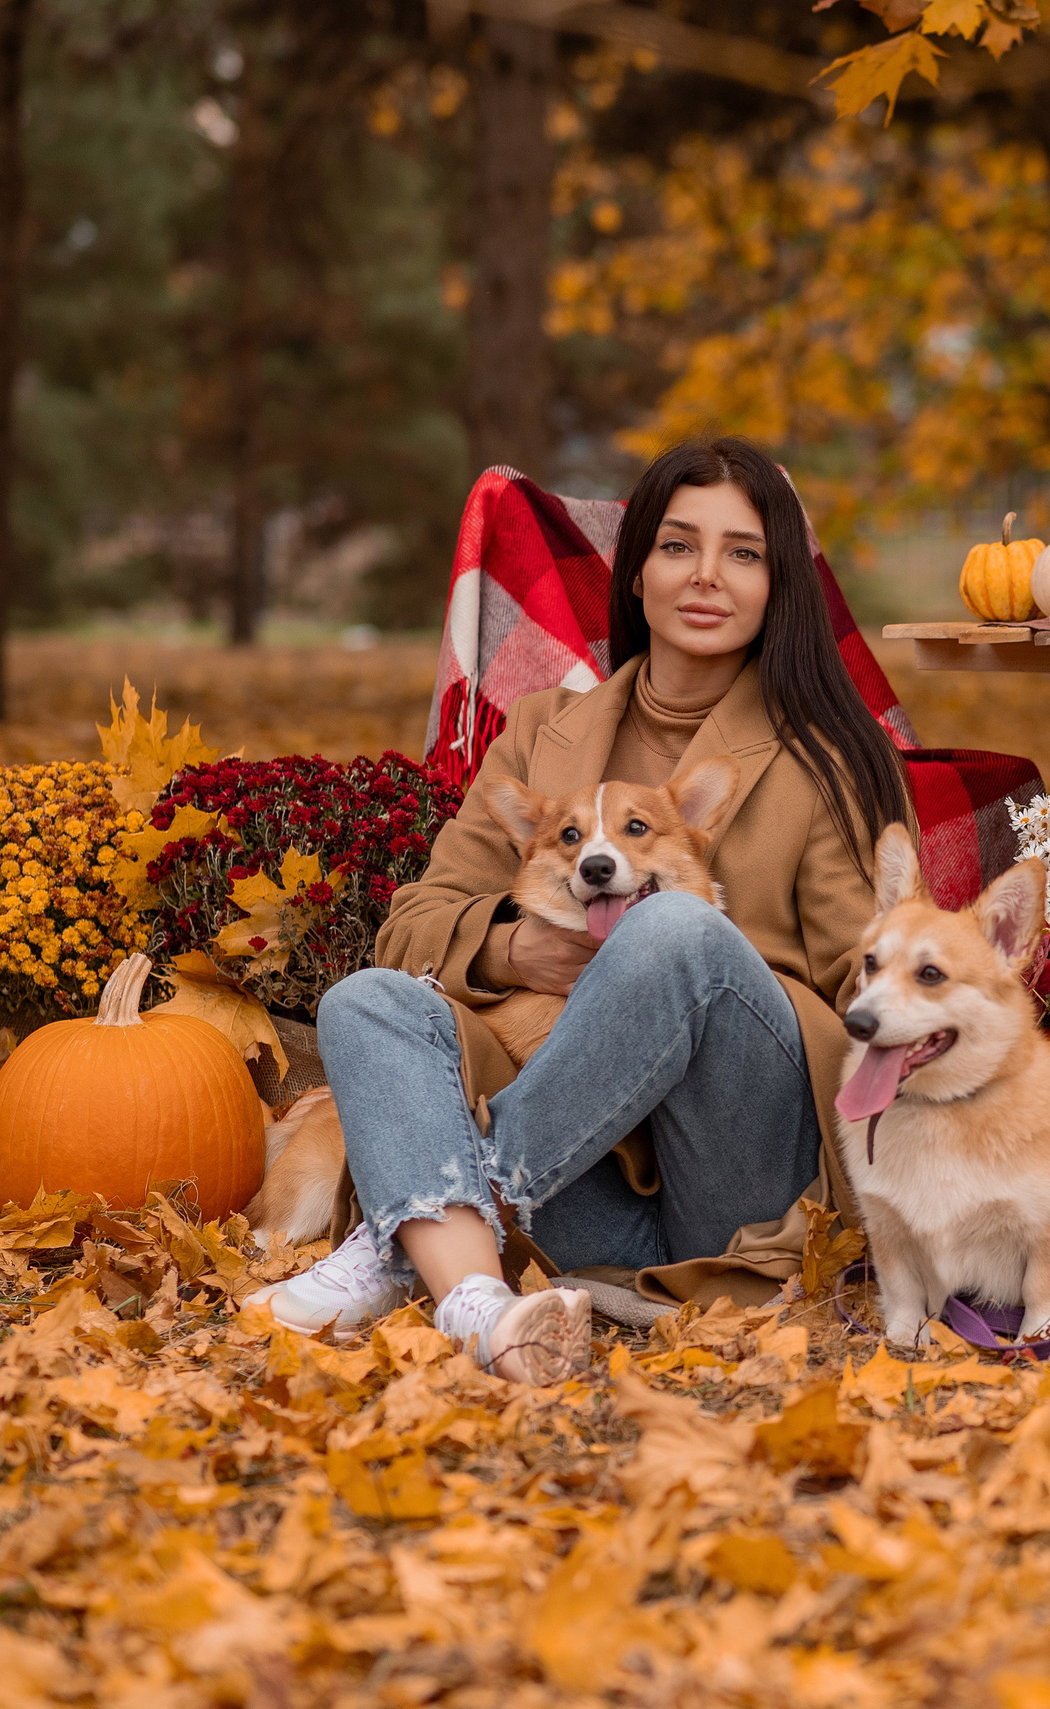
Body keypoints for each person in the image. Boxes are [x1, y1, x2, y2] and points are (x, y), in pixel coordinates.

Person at [248, 438, 907, 1382]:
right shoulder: (539, 736)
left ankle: (417, 1229)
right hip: (586, 1193)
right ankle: (478, 1304)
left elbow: (874, 984)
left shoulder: (826, 757)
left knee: (674, 928)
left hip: (735, 1181)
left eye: (745, 552)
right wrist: (521, 954)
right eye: (679, 546)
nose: (708, 576)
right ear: (636, 571)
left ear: (777, 587)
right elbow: (415, 922)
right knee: (365, 1001)